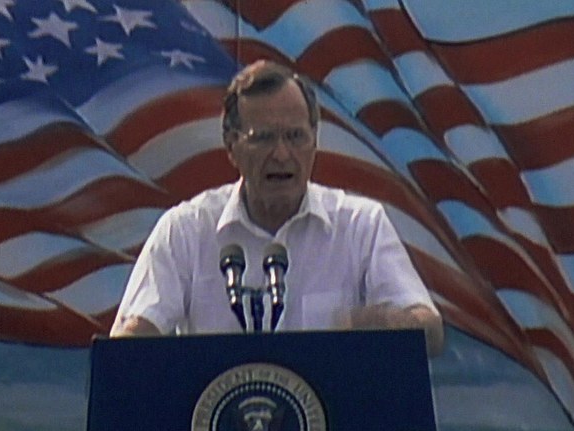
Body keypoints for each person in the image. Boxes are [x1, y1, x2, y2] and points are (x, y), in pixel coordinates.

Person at [110, 60, 444, 355]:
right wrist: (137, 338)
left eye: (295, 137)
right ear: (231, 145)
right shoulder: (186, 230)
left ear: (315, 140)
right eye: (263, 138)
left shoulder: (360, 225)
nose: (282, 154)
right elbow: (128, 346)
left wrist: (380, 323)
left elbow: (429, 332)